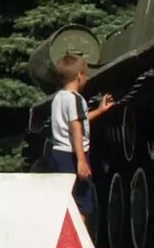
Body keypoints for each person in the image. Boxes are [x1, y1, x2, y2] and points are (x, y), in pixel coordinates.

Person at [44, 50, 115, 237]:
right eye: (85, 73)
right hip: (73, 155)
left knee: (66, 201)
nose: (87, 78)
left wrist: (99, 111)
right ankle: (78, 245)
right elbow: (76, 127)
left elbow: (77, 121)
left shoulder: (59, 98)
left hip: (58, 153)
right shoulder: (75, 99)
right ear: (79, 76)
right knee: (82, 202)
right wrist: (81, 160)